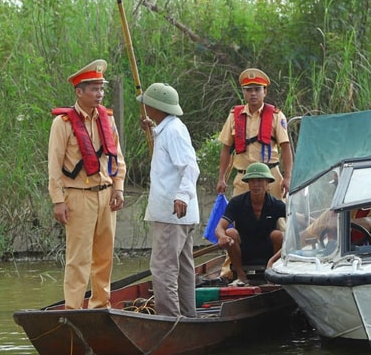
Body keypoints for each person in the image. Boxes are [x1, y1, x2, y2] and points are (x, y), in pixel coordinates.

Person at [47, 59, 126, 309]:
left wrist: (118, 187)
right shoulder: (63, 124)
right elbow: (54, 165)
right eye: (93, 89)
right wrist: (58, 201)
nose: (99, 94)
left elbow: (118, 158)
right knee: (78, 258)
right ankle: (73, 308)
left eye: (101, 88)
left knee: (104, 256)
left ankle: (100, 305)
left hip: (105, 196)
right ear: (79, 92)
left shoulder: (107, 120)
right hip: (78, 196)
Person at [138, 83, 200, 317]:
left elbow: (190, 167)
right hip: (179, 215)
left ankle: (171, 320)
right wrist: (152, 129)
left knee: (163, 269)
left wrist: (182, 195)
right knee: (184, 269)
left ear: (156, 106)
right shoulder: (168, 129)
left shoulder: (173, 131)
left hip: (172, 213)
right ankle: (188, 316)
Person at [216, 68, 293, 200]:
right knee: (239, 218)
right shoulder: (234, 116)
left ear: (265, 92)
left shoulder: (276, 115)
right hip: (243, 178)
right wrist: (221, 178)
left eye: (257, 89)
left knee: (278, 218)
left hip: (270, 176)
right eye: (249, 90)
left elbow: (286, 148)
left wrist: (287, 177)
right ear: (244, 92)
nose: (253, 94)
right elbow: (226, 149)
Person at [214, 162, 286, 286]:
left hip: (269, 251)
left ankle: (273, 274)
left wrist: (315, 225)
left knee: (278, 235)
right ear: (248, 183)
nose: (256, 185)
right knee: (230, 232)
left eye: (259, 180)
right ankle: (241, 276)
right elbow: (220, 227)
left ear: (267, 182)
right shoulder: (237, 202)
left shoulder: (276, 204)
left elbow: (296, 220)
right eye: (252, 181)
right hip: (244, 249)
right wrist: (222, 237)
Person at [298, 204, 371, 246]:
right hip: (345, 259)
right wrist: (288, 247)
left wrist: (341, 223)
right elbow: (308, 233)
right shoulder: (335, 210)